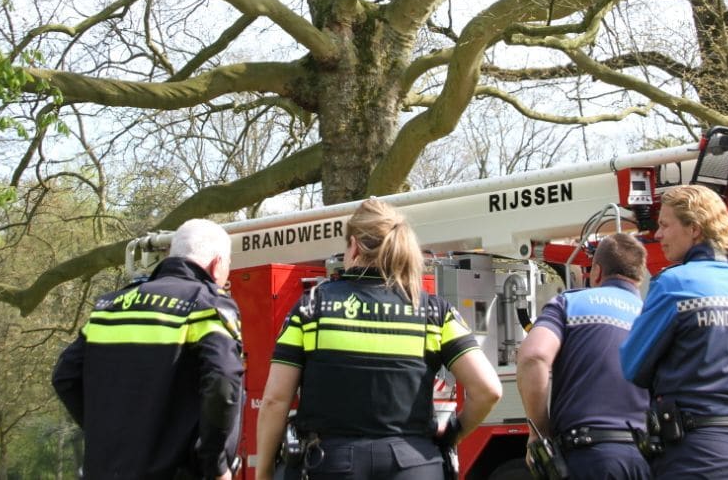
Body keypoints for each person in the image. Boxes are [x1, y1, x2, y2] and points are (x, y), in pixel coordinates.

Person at [254, 197, 503, 479]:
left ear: (355, 246)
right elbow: (488, 390)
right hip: (416, 464)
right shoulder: (433, 311)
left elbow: (275, 400)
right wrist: (452, 435)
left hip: (330, 464)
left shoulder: (312, 308)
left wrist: (263, 471)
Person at [620, 185, 728, 480]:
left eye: (665, 225)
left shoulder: (674, 283)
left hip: (695, 456)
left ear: (694, 228)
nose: (658, 235)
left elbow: (632, 365)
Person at [52, 218, 243, 480]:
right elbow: (223, 381)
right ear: (217, 263)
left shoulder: (110, 305)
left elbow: (65, 376)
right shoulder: (205, 305)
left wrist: (105, 435)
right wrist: (216, 463)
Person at [517, 232, 651, 480]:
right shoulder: (651, 317)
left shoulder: (570, 304)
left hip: (586, 458)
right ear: (639, 278)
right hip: (643, 460)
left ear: (597, 271)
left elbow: (533, 357)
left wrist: (539, 432)